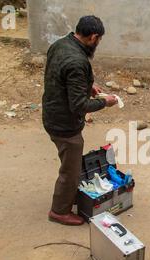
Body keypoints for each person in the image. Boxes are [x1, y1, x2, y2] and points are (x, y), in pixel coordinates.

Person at [42, 16, 118, 226]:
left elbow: (61, 77)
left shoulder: (60, 44)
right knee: (70, 170)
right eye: (99, 40)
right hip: (64, 125)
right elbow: (79, 105)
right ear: (93, 37)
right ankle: (59, 211)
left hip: (52, 113)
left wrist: (88, 86)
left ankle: (69, 195)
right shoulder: (77, 61)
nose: (98, 44)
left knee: (70, 163)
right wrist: (106, 103)